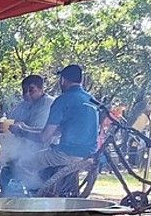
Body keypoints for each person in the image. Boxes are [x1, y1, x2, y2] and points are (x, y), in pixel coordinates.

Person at [23, 64, 102, 193]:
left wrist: (21, 132)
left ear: (63, 80)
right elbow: (57, 131)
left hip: (67, 154)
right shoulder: (91, 100)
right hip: (89, 155)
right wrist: (26, 129)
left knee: (24, 163)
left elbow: (44, 138)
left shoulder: (63, 100)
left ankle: (35, 198)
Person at [0, 74, 53, 192]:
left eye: (31, 90)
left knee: (15, 166)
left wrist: (20, 128)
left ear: (41, 89)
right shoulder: (22, 106)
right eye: (24, 91)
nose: (26, 94)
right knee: (2, 163)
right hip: (22, 147)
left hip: (43, 148)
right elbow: (11, 121)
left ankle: (32, 193)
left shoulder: (47, 104)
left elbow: (37, 132)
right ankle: (7, 196)